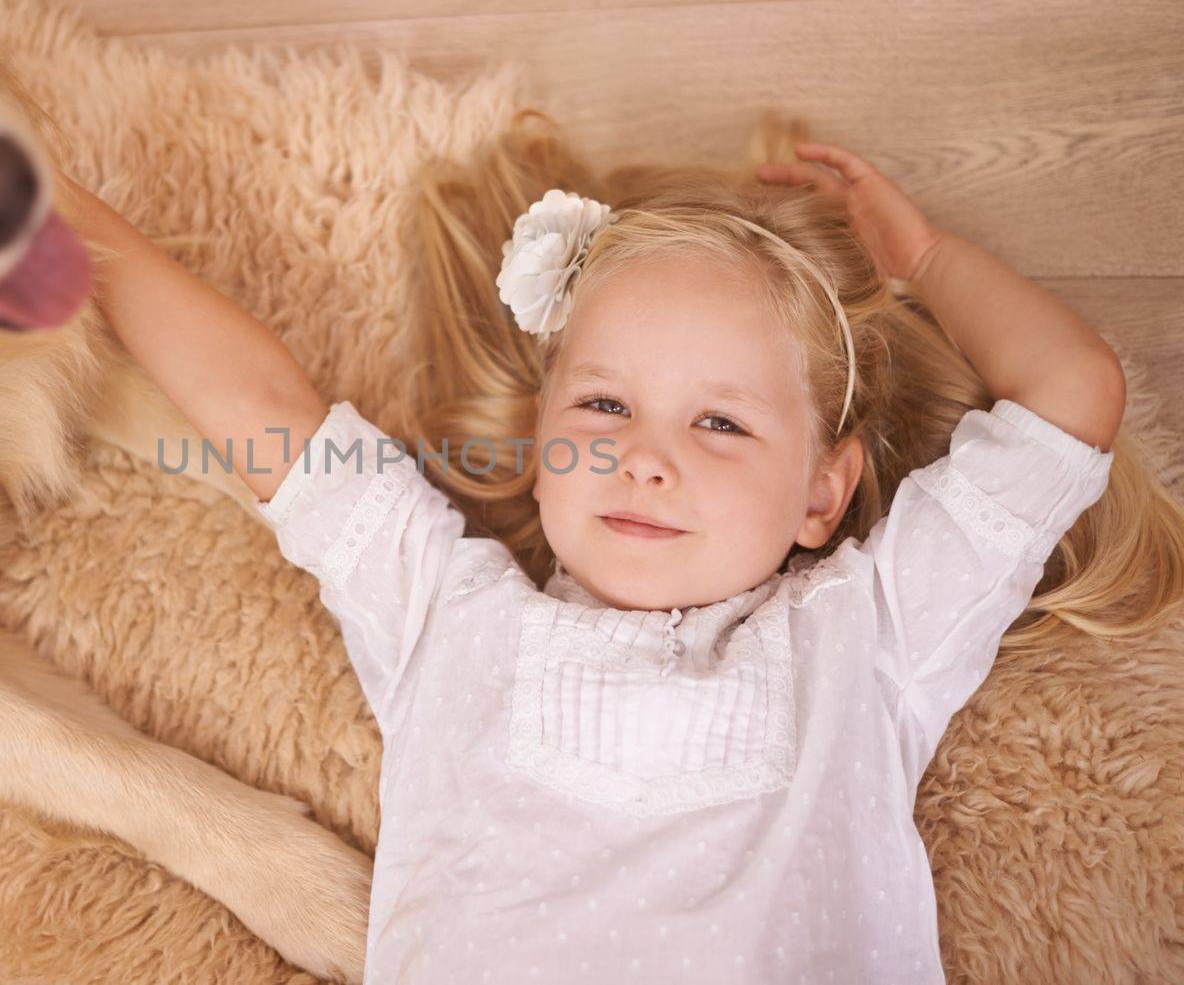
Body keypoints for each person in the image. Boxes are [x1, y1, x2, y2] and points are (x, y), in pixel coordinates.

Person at [58, 116, 1184, 983]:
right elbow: (269, 421)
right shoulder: (440, 608)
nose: (645, 460)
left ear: (821, 494)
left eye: (719, 423)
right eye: (603, 407)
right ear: (544, 432)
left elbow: (1069, 394)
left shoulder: (872, 634)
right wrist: (69, 222)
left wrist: (923, 256)